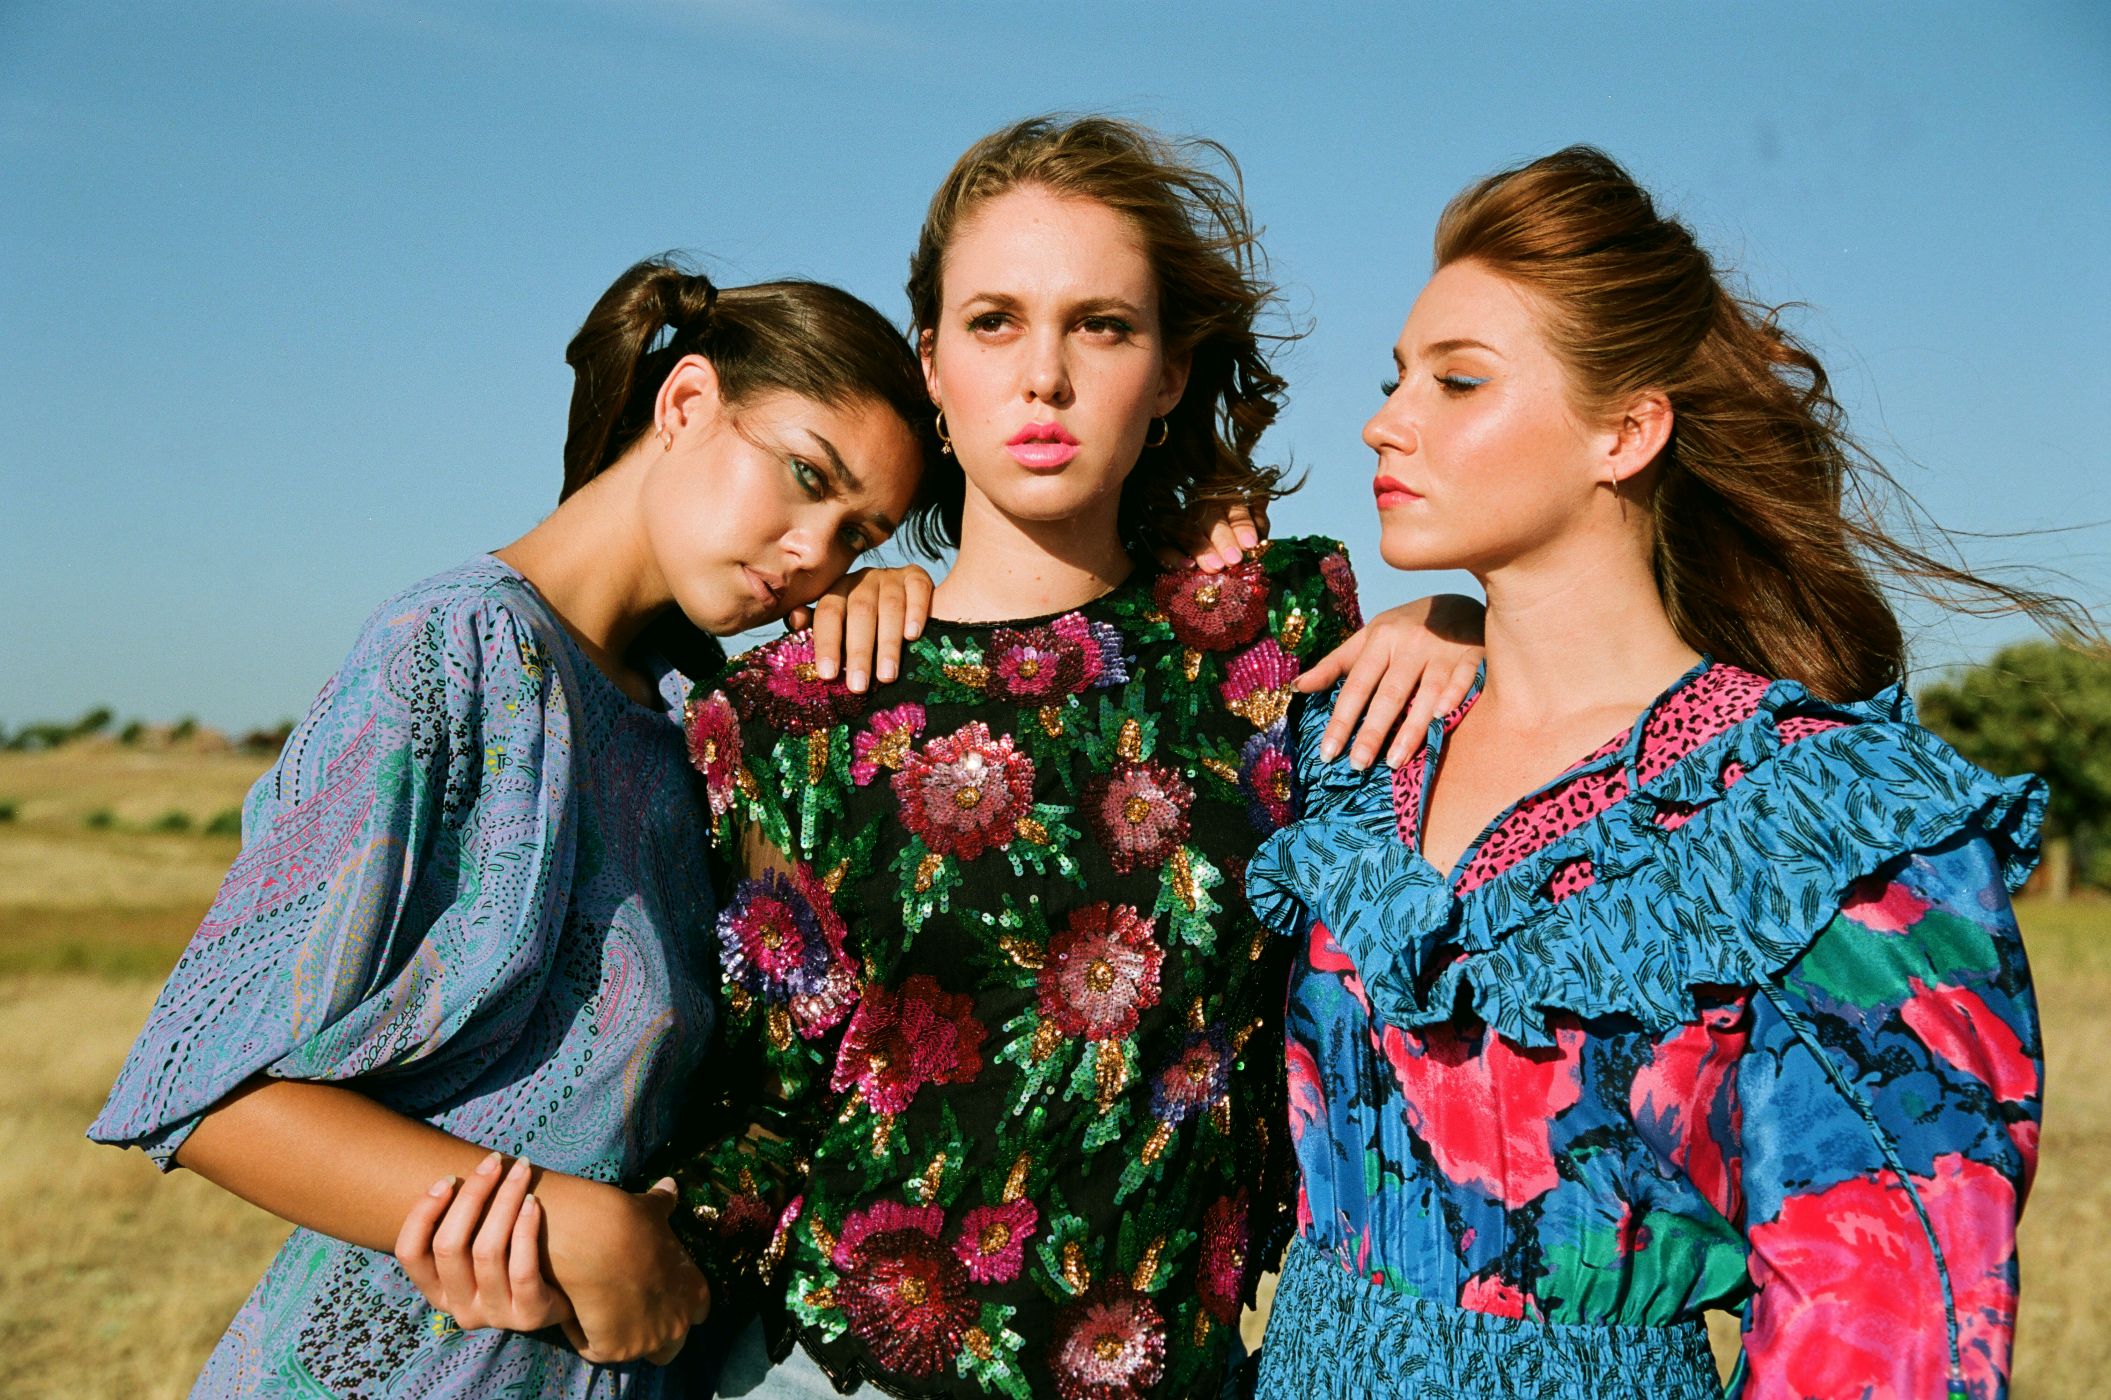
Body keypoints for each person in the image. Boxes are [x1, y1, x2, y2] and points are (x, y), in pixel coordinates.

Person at [1246, 147, 2068, 1399]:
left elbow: (1887, 1324)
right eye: (1393, 377)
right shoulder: (1357, 742)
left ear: (1625, 432)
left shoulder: (1813, 815)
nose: (1383, 420)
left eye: (1455, 379)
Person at [87, 255, 951, 1398]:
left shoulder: (691, 731)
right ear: (686, 401)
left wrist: (894, 638)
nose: (812, 554)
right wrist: (565, 1226)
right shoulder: (454, 651)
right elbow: (200, 1083)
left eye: (855, 534)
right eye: (805, 476)